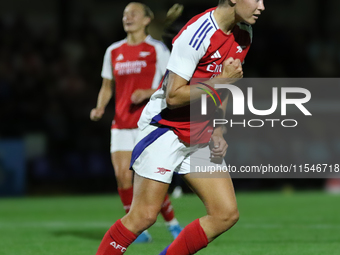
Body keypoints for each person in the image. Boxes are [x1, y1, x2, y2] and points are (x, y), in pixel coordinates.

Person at [95, 0, 265, 254]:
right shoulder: (196, 35)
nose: (261, 6)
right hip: (166, 128)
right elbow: (173, 97)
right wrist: (219, 81)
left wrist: (218, 128)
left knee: (225, 214)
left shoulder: (244, 32)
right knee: (143, 216)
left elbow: (228, 83)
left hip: (199, 132)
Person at [90, 2, 183, 243]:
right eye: (124, 14)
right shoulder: (113, 51)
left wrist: (147, 92)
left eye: (133, 14)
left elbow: (173, 83)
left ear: (146, 20)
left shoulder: (157, 50)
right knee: (122, 176)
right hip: (121, 123)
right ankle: (135, 227)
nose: (127, 17)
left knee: (150, 180)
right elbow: (106, 86)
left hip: (148, 124)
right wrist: (100, 106)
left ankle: (172, 224)